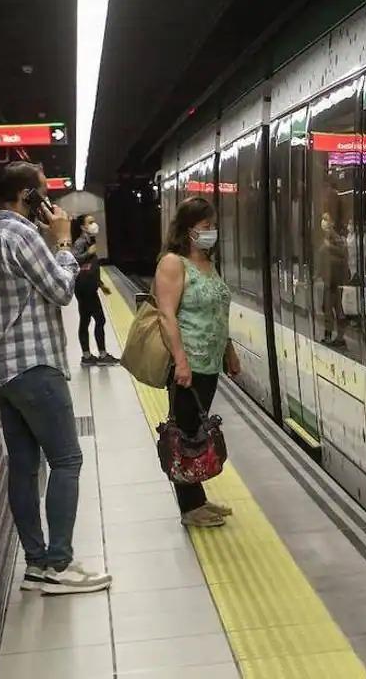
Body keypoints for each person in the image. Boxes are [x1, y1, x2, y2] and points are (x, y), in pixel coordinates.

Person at [0, 162, 111, 595]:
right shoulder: (24, 236)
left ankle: (35, 564)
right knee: (67, 460)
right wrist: (65, 241)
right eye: (44, 194)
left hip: (1, 372)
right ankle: (59, 564)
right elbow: (62, 290)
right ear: (29, 197)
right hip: (34, 366)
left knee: (24, 468)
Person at [155, 196, 240, 529]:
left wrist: (228, 351)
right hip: (188, 363)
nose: (212, 232)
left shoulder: (207, 262)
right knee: (184, 433)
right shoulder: (173, 264)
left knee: (196, 432)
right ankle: (190, 508)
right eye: (206, 227)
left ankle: (198, 500)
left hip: (210, 362)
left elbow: (216, 312)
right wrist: (180, 362)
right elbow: (166, 315)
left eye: (213, 226)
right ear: (188, 229)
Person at [72, 214, 116, 366]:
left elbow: (90, 268)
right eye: (90, 222)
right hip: (85, 288)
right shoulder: (81, 242)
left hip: (88, 286)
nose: (94, 224)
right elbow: (74, 259)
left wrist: (100, 284)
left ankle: (88, 356)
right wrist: (88, 253)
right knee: (98, 320)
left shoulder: (89, 240)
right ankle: (100, 356)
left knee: (86, 320)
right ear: (83, 227)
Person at [316, 211, 349, 347]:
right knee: (330, 308)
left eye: (326, 219)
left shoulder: (334, 236)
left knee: (331, 308)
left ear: (332, 222)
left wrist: (330, 247)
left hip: (334, 279)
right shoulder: (327, 236)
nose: (323, 222)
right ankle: (334, 336)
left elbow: (342, 252)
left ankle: (334, 336)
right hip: (329, 279)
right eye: (323, 219)